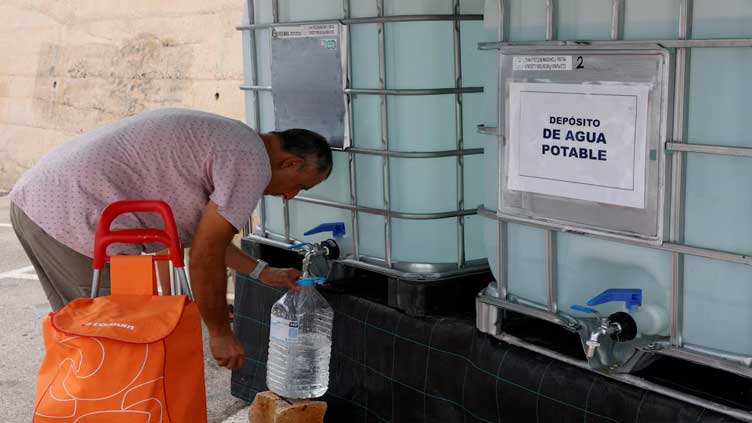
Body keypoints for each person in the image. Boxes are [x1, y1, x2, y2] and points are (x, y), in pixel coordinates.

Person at [9, 108, 332, 369]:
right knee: (109, 346)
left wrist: (261, 272)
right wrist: (220, 333)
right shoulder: (252, 165)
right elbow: (204, 255)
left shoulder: (236, 141)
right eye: (299, 186)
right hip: (75, 217)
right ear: (291, 162)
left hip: (40, 202)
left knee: (82, 338)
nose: (289, 196)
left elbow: (210, 240)